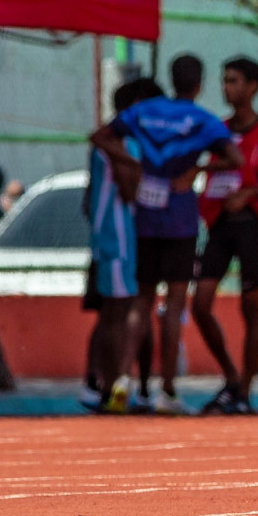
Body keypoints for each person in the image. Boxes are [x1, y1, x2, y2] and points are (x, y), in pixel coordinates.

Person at [90, 63, 242, 415]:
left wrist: (130, 161)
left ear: (171, 81)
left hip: (145, 215)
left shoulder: (142, 112)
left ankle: (122, 382)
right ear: (199, 84)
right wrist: (197, 170)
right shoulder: (202, 120)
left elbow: (99, 136)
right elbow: (234, 159)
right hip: (181, 219)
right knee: (174, 304)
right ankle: (168, 391)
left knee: (141, 302)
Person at [193, 57, 258, 415]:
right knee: (200, 302)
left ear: (252, 86)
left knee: (249, 305)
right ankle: (231, 376)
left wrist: (252, 194)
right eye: (224, 81)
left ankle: (245, 391)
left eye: (234, 81)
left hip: (252, 226)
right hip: (220, 226)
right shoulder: (219, 131)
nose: (227, 88)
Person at [82, 82, 149, 414]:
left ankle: (109, 385)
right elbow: (128, 189)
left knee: (111, 313)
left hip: (105, 235)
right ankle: (116, 383)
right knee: (119, 313)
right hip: (119, 236)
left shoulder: (105, 145)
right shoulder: (123, 143)